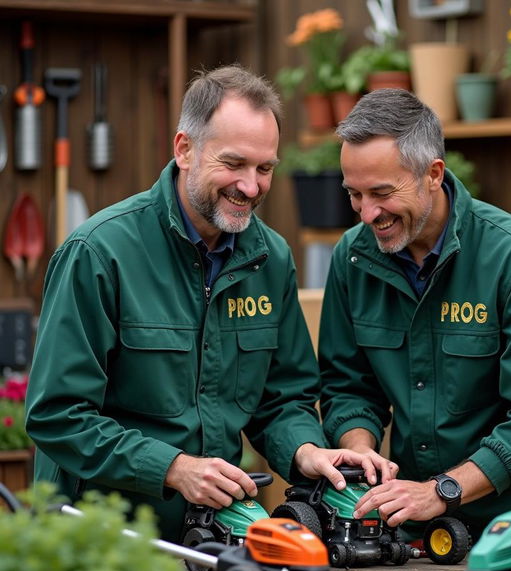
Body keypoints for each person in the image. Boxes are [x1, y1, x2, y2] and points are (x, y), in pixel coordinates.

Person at [25, 65, 391, 542]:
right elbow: (57, 414)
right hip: (96, 542)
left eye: (265, 169)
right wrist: (173, 468)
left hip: (209, 539)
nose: (252, 186)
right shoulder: (99, 253)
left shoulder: (270, 259)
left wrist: (305, 451)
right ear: (184, 150)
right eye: (234, 163)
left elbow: (283, 399)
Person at [319, 89, 511, 541]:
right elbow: (347, 386)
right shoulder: (352, 259)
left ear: (433, 174)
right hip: (408, 529)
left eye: (381, 193)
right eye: (354, 194)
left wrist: (442, 491)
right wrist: (360, 449)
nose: (367, 213)